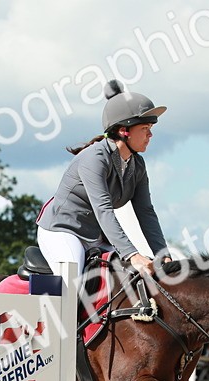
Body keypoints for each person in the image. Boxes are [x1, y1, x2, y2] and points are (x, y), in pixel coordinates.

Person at [35, 80, 168, 276]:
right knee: (73, 280)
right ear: (124, 131)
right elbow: (103, 208)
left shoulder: (137, 165)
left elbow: (145, 212)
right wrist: (132, 254)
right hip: (62, 231)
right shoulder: (94, 158)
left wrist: (163, 255)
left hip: (95, 236)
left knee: (131, 277)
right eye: (144, 128)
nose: (150, 135)